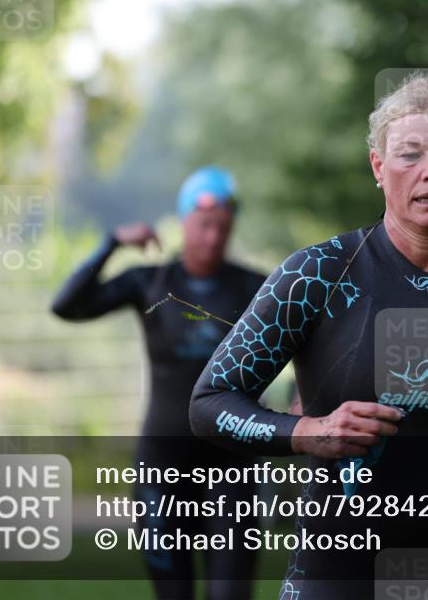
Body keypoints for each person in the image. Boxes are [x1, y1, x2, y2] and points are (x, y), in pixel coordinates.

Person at [189, 73, 428, 599]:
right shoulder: (316, 275)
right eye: (409, 155)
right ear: (379, 168)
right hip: (335, 577)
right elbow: (207, 404)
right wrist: (309, 432)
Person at [52, 167, 266, 600]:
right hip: (163, 466)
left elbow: (309, 339)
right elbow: (67, 305)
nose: (213, 237)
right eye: (205, 225)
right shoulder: (150, 283)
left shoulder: (254, 287)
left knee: (230, 594)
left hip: (232, 465)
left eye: (223, 228)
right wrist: (112, 243)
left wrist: (304, 395)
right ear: (184, 220)